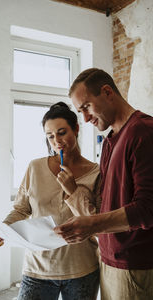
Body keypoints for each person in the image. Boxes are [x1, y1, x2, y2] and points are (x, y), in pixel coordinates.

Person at [0, 102, 101, 300]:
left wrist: (73, 191)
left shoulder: (96, 172)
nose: (57, 141)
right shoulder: (35, 167)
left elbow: (97, 222)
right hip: (37, 269)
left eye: (62, 132)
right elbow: (21, 209)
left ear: (77, 128)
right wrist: (2, 230)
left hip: (81, 269)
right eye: (50, 136)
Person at [54, 68, 153, 300]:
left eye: (86, 107)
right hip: (108, 261)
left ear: (107, 92)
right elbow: (106, 205)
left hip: (135, 265)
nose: (86, 118)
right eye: (80, 112)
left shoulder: (143, 132)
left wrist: (91, 224)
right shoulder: (109, 141)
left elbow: (148, 208)